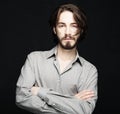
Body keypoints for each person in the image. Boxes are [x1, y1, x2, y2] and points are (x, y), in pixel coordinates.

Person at [16, 3, 98, 114]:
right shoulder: (34, 59)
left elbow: (85, 111)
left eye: (74, 25)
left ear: (81, 30)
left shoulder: (89, 70)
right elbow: (21, 98)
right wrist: (72, 103)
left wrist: (41, 92)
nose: (68, 32)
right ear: (54, 29)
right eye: (62, 25)